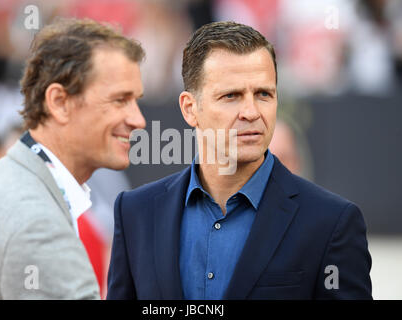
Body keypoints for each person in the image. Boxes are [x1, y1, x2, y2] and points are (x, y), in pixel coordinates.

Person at [106, 21, 372, 300]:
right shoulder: (136, 213)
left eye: (263, 94)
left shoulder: (331, 222)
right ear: (190, 108)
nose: (251, 112)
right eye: (231, 96)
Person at [0, 18, 146, 299]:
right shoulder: (36, 220)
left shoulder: (6, 182)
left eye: (136, 100)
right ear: (59, 102)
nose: (139, 120)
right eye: (119, 100)